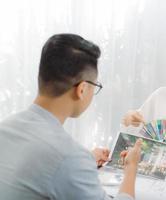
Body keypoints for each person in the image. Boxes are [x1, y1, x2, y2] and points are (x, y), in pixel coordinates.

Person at [0, 33, 141, 200]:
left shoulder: (5, 128)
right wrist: (131, 168)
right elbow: (60, 161)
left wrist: (86, 160)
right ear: (81, 89)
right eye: (95, 85)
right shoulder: (70, 157)